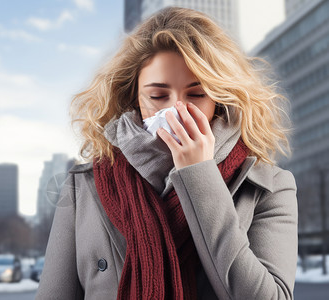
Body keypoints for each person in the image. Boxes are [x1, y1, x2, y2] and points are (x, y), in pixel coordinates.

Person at [36, 6, 297, 300]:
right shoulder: (83, 186)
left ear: (220, 100)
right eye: (158, 96)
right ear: (133, 98)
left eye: (197, 95)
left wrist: (199, 174)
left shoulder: (269, 186)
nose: (177, 110)